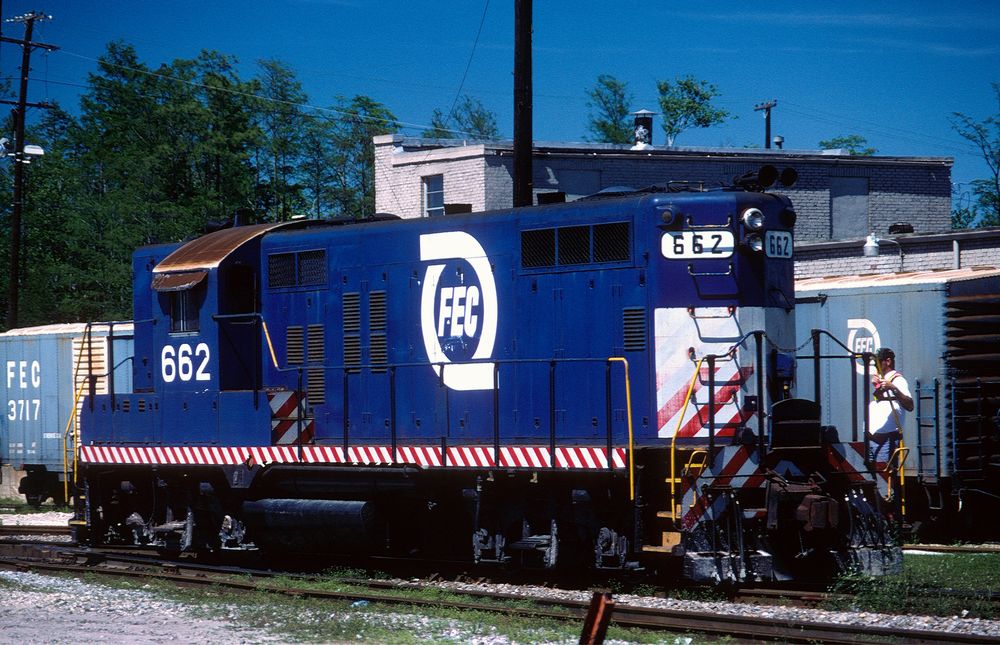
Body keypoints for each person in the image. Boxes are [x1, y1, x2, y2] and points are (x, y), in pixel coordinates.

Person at [868, 347, 914, 463]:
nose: (875, 367)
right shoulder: (883, 380)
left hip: (886, 438)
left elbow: (910, 405)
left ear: (887, 361)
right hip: (874, 438)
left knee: (884, 476)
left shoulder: (898, 380)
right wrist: (878, 387)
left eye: (878, 363)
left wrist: (893, 388)